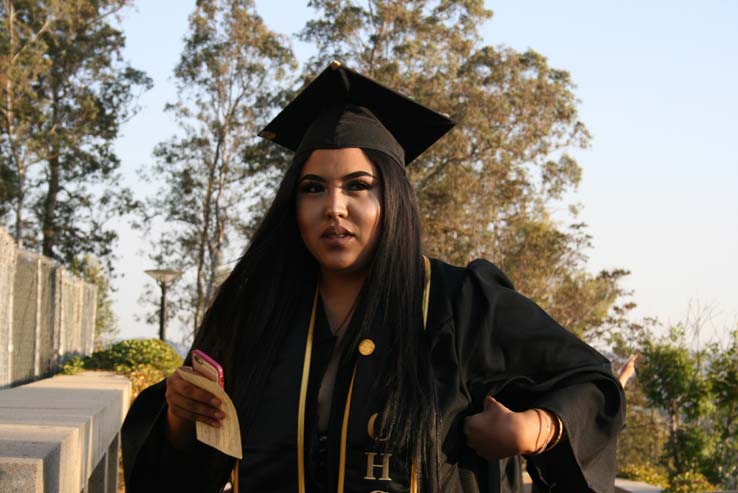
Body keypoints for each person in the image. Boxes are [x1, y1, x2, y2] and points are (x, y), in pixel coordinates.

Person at [122, 61, 625, 493]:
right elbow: (178, 474)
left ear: (393, 200)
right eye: (313, 188)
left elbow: (590, 382)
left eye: (358, 186)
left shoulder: (459, 305)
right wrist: (177, 417)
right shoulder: (253, 312)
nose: (333, 208)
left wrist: (536, 429)